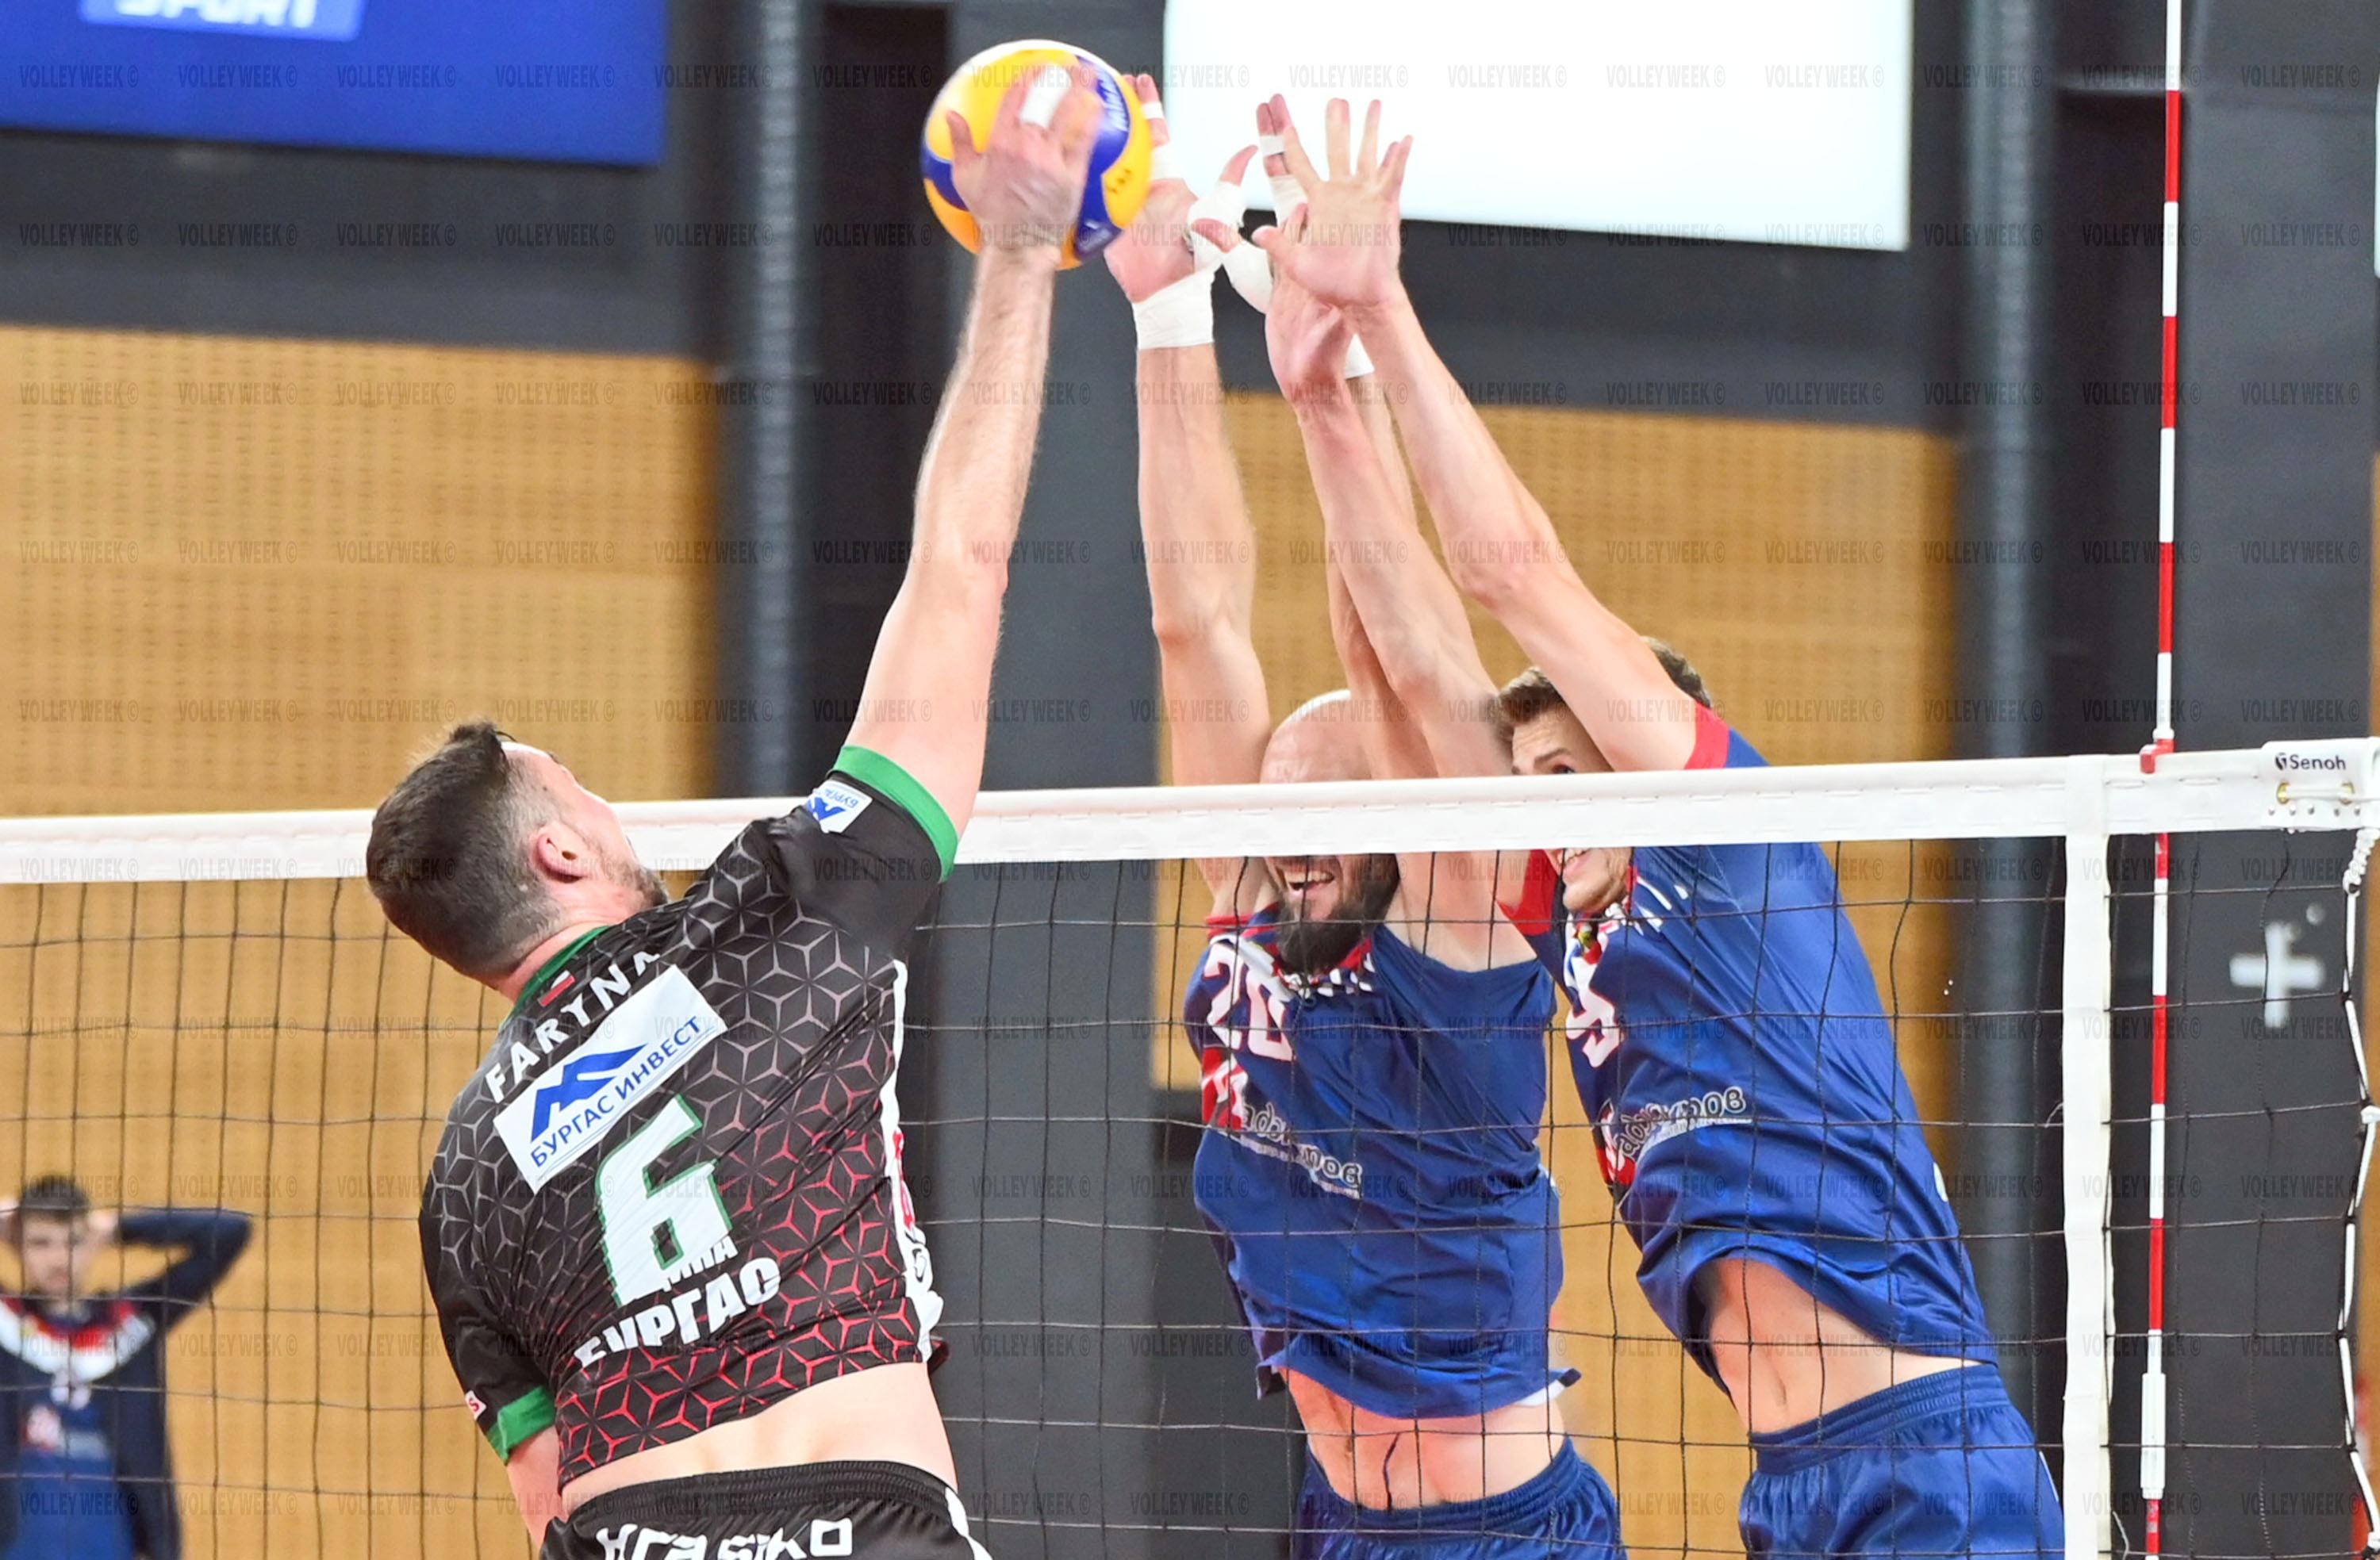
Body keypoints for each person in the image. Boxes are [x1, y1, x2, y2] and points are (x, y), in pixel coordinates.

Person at [1221, 94, 2062, 1558]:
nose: (1551, 798)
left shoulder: (1725, 836)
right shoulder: (1562, 925)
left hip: (1927, 1456)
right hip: (1788, 1486)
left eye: (1577, 762)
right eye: (1533, 775)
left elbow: (1506, 568)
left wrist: (1387, 314)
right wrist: (1321, 397)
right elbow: (1411, 662)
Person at [371, 63, 1107, 1560]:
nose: (604, 799)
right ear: (559, 847)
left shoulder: (464, 1174)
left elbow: (542, 1495)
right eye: (577, 783)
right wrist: (1025, 252)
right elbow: (961, 568)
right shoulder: (769, 921)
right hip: (857, 1516)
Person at [1106, 79, 1623, 1558]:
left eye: (1328, 797)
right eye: (1275, 799)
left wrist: (1333, 388)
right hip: (1332, 1519)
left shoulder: (1461, 948)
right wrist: (1164, 315)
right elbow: (1196, 627)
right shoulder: (1261, 921)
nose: (1285, 829)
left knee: (1392, 668)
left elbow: (1410, 665)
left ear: (1402, 822)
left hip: (1498, 1535)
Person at [0, 1175, 251, 1560]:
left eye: (73, 1241)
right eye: (40, 1243)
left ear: (93, 1241)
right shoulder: (6, 1324)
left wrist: (121, 1228)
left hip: (112, 1545)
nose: (58, 1258)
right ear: (16, 1243)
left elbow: (230, 1232)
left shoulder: (134, 1321)